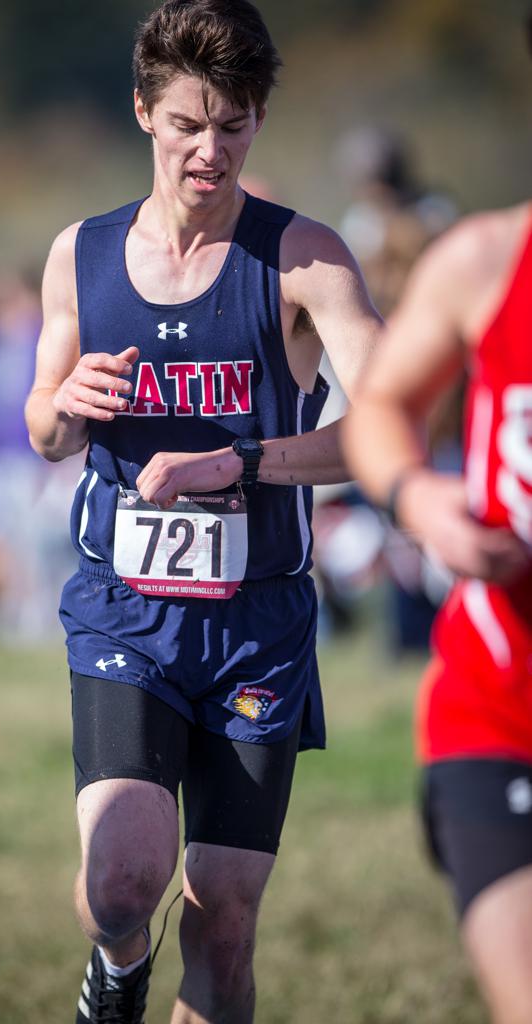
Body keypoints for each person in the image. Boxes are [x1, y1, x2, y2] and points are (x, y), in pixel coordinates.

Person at [25, 2, 381, 1021]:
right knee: (118, 885)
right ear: (144, 112)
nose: (209, 150)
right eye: (187, 124)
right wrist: (67, 405)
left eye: (232, 124)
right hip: (124, 610)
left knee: (222, 917)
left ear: (259, 121)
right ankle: (119, 971)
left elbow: (384, 432)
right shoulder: (80, 256)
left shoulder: (303, 261)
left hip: (257, 625)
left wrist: (242, 459)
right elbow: (42, 429)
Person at [342, 64, 532, 1024]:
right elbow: (379, 400)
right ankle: (399, 635)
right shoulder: (482, 255)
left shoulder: (429, 218)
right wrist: (419, 497)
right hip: (500, 714)